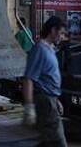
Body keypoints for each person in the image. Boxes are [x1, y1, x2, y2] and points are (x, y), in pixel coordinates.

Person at [22, 16, 67, 147]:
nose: (62, 37)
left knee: (48, 141)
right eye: (61, 33)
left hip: (50, 99)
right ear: (53, 30)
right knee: (58, 141)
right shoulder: (39, 49)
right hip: (45, 101)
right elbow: (28, 79)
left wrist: (56, 99)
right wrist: (29, 107)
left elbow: (46, 77)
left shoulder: (49, 49)